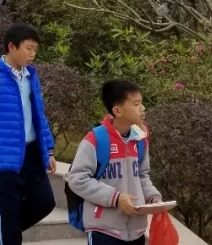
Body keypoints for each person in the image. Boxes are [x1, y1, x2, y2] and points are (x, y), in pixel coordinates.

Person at [0, 24, 57, 245]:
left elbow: (39, 115)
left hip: (32, 154)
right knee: (9, 223)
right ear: (11, 47)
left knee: (45, 202)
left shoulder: (31, 77)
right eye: (28, 48)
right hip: (2, 159)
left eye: (35, 49)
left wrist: (49, 149)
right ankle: (4, 228)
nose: (32, 54)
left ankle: (1, 225)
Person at [65, 79, 162, 244]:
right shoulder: (96, 139)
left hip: (136, 229)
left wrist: (153, 198)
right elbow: (77, 178)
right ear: (117, 110)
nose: (142, 108)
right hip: (103, 229)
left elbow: (142, 175)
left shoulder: (140, 140)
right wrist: (116, 198)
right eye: (136, 104)